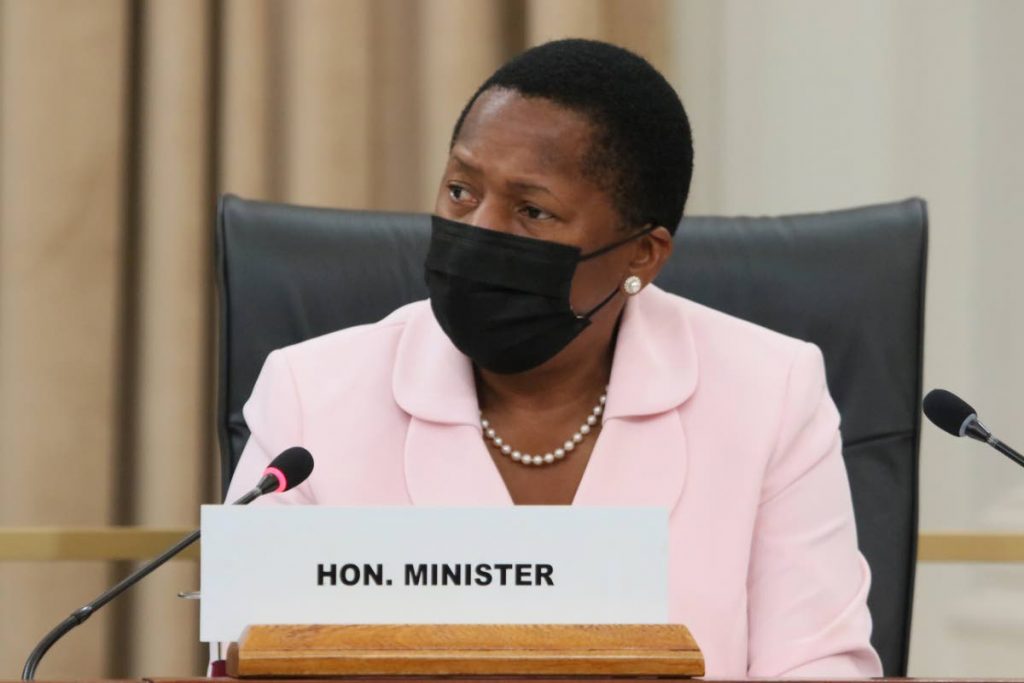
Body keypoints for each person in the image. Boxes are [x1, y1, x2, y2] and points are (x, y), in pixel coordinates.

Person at [225, 39, 882, 677]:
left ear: (641, 257)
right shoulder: (308, 394)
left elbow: (818, 663)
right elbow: (247, 655)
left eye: (532, 211)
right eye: (461, 190)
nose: (478, 232)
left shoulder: (771, 393)